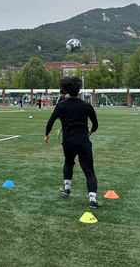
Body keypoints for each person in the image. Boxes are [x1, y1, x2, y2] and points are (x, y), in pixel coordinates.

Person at [45, 76, 101, 209]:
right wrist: (91, 131)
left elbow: (50, 121)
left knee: (68, 162)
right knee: (89, 171)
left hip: (68, 141)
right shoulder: (86, 106)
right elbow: (95, 124)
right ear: (79, 90)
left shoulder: (61, 105)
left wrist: (47, 135)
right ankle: (92, 200)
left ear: (66, 91)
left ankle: (67, 189)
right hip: (83, 141)